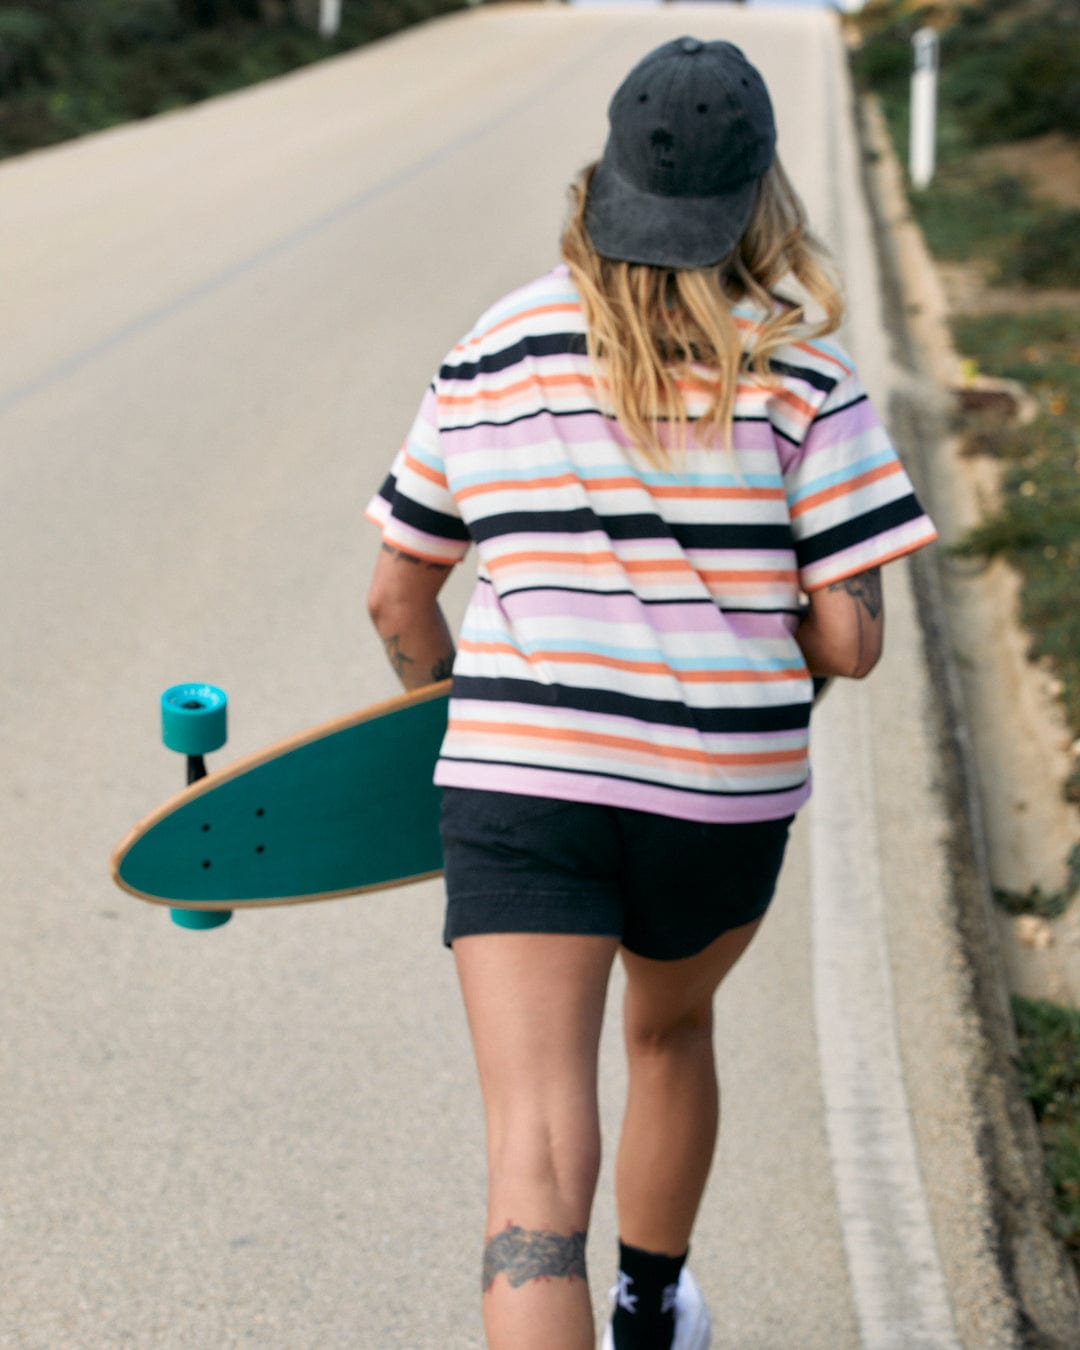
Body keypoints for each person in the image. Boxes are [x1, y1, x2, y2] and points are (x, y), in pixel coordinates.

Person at [365, 35, 937, 1350]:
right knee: (671, 1032)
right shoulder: (806, 379)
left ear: (606, 179)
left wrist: (447, 707)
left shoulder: (495, 348)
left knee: (532, 1158)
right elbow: (849, 641)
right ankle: (647, 1307)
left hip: (520, 782)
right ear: (761, 202)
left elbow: (399, 595)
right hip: (718, 793)